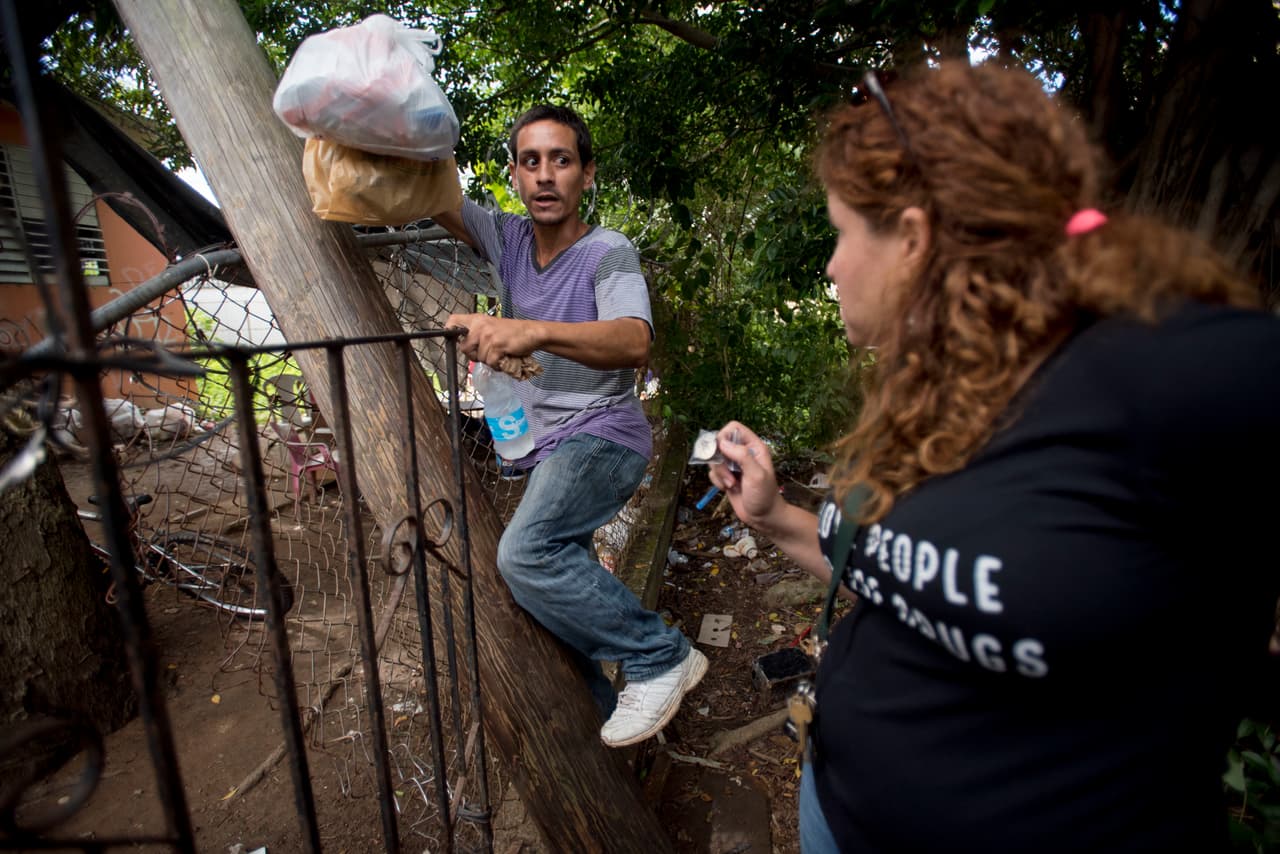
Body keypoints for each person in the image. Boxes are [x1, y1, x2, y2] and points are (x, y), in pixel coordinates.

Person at [707, 62, 1280, 852]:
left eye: (842, 234)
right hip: (836, 806)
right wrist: (771, 516)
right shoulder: (943, 385)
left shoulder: (1172, 374)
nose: (834, 267)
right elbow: (898, 571)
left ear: (911, 238)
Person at [437, 105, 705, 748]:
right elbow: (434, 192)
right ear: (514, 175)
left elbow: (633, 340)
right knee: (553, 596)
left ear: (586, 174)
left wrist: (533, 330)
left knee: (525, 553)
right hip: (550, 447)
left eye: (562, 160)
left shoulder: (607, 252)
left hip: (603, 434)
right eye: (531, 161)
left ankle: (660, 656)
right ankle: (597, 716)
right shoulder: (504, 240)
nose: (546, 175)